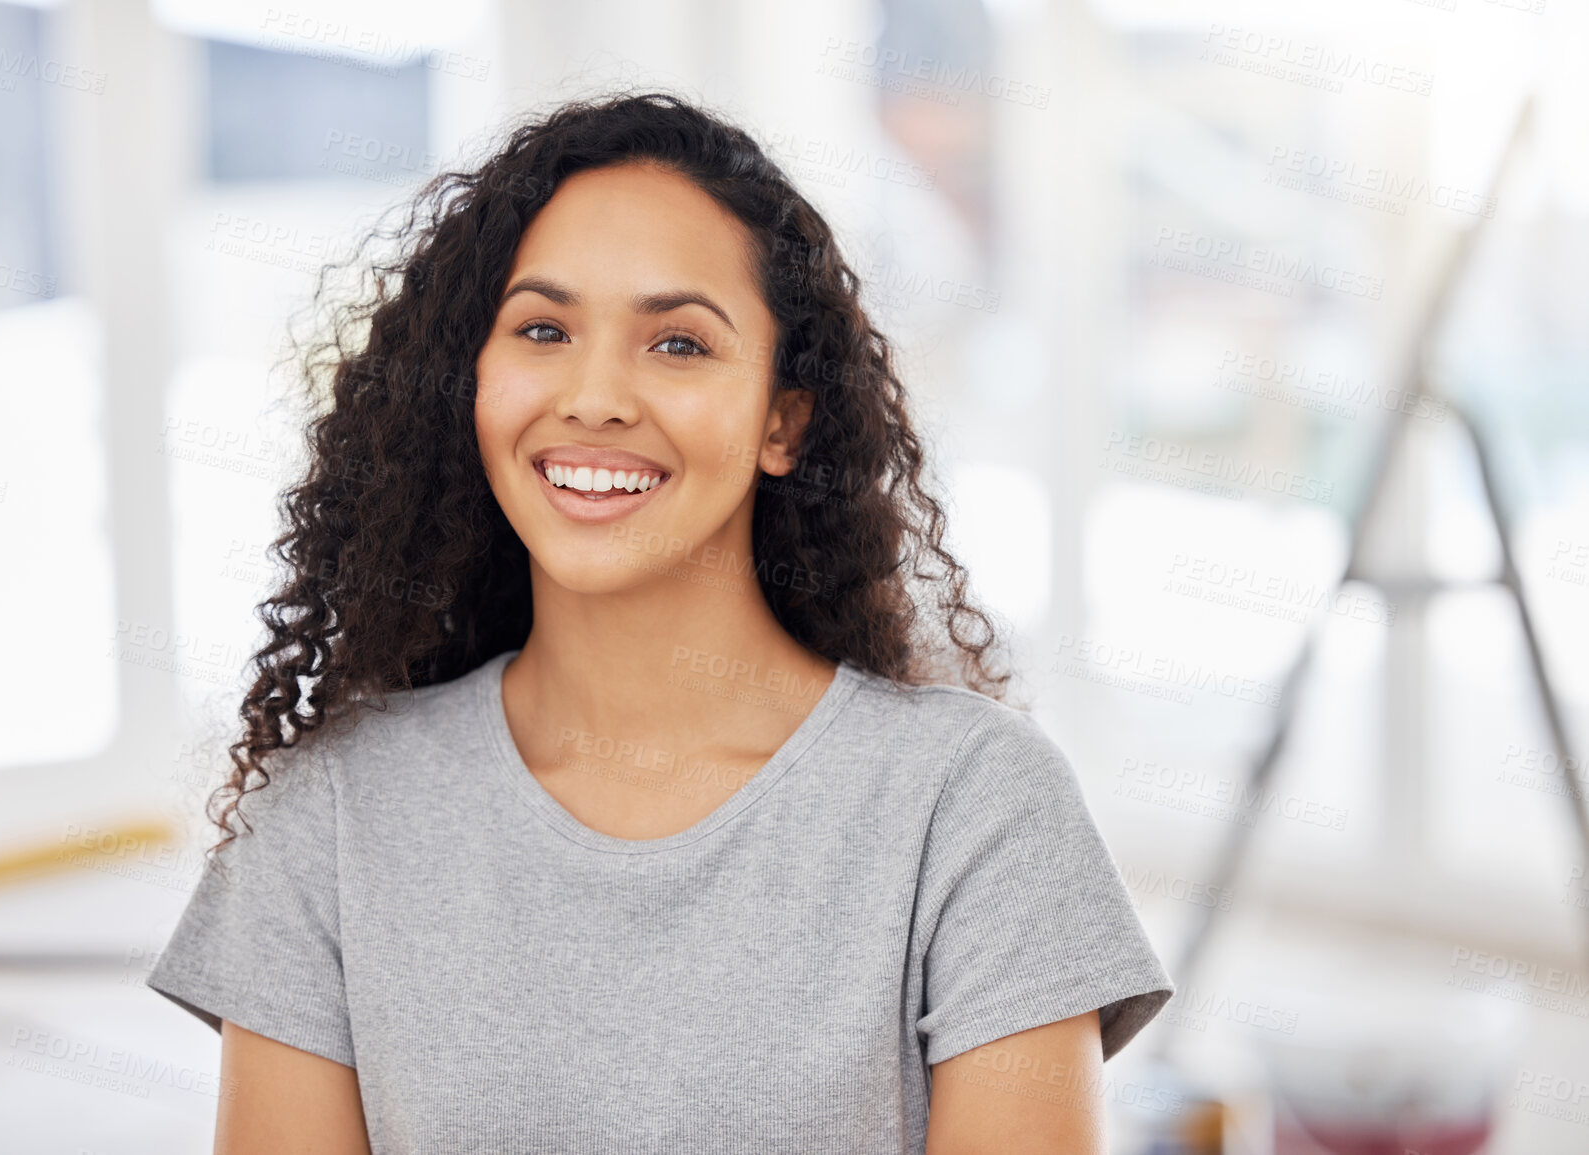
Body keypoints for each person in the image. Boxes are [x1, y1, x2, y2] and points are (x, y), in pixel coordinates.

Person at [147, 90, 1173, 1155]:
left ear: (783, 419)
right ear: (473, 385)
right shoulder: (328, 818)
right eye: (543, 329)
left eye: (678, 344)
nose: (595, 397)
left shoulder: (973, 809)